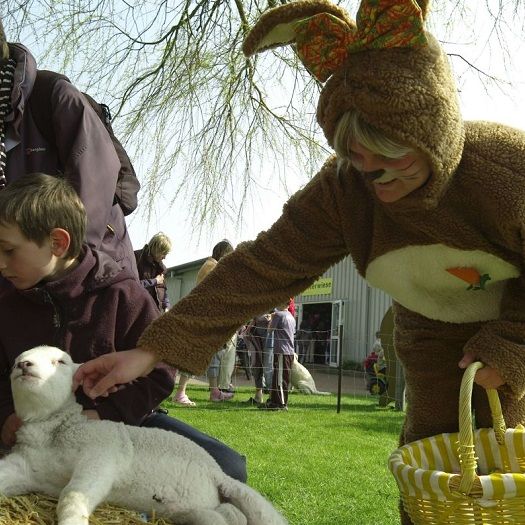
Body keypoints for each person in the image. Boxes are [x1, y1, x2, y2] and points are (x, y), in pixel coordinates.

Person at [74, 2, 525, 521]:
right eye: (359, 156)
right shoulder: (344, 190)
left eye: (391, 152)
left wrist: (510, 344)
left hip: (509, 329)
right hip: (430, 339)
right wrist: (152, 351)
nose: (375, 176)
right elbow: (261, 267)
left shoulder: (503, 171)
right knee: (433, 477)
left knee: (504, 472)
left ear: (434, 124)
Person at [0, 173, 246, 482]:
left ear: (58, 243)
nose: (1, 262)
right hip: (36, 436)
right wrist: (7, 414)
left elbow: (160, 373)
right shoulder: (6, 305)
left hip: (124, 427)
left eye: (8, 250)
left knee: (228, 467)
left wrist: (105, 414)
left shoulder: (122, 294)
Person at [0, 21, 137, 278]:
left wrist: (64, 272)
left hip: (88, 279)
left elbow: (94, 185)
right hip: (22, 286)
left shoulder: (52, 96)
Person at [196, 240, 236, 402]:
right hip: (211, 316)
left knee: (215, 356)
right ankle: (214, 392)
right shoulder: (212, 266)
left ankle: (215, 390)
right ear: (224, 253)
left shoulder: (208, 265)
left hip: (208, 315)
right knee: (214, 355)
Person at [259, 302, 296, 411]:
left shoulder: (279, 315)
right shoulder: (291, 316)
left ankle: (281, 404)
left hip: (281, 351)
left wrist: (271, 318)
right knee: (279, 377)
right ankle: (274, 402)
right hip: (289, 351)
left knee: (280, 379)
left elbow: (270, 330)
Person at [134, 232, 172, 312]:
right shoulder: (136, 258)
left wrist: (166, 306)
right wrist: (155, 281)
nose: (165, 257)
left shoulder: (161, 268)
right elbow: (131, 285)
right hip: (136, 309)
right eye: (163, 253)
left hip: (153, 311)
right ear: (156, 249)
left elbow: (162, 289)